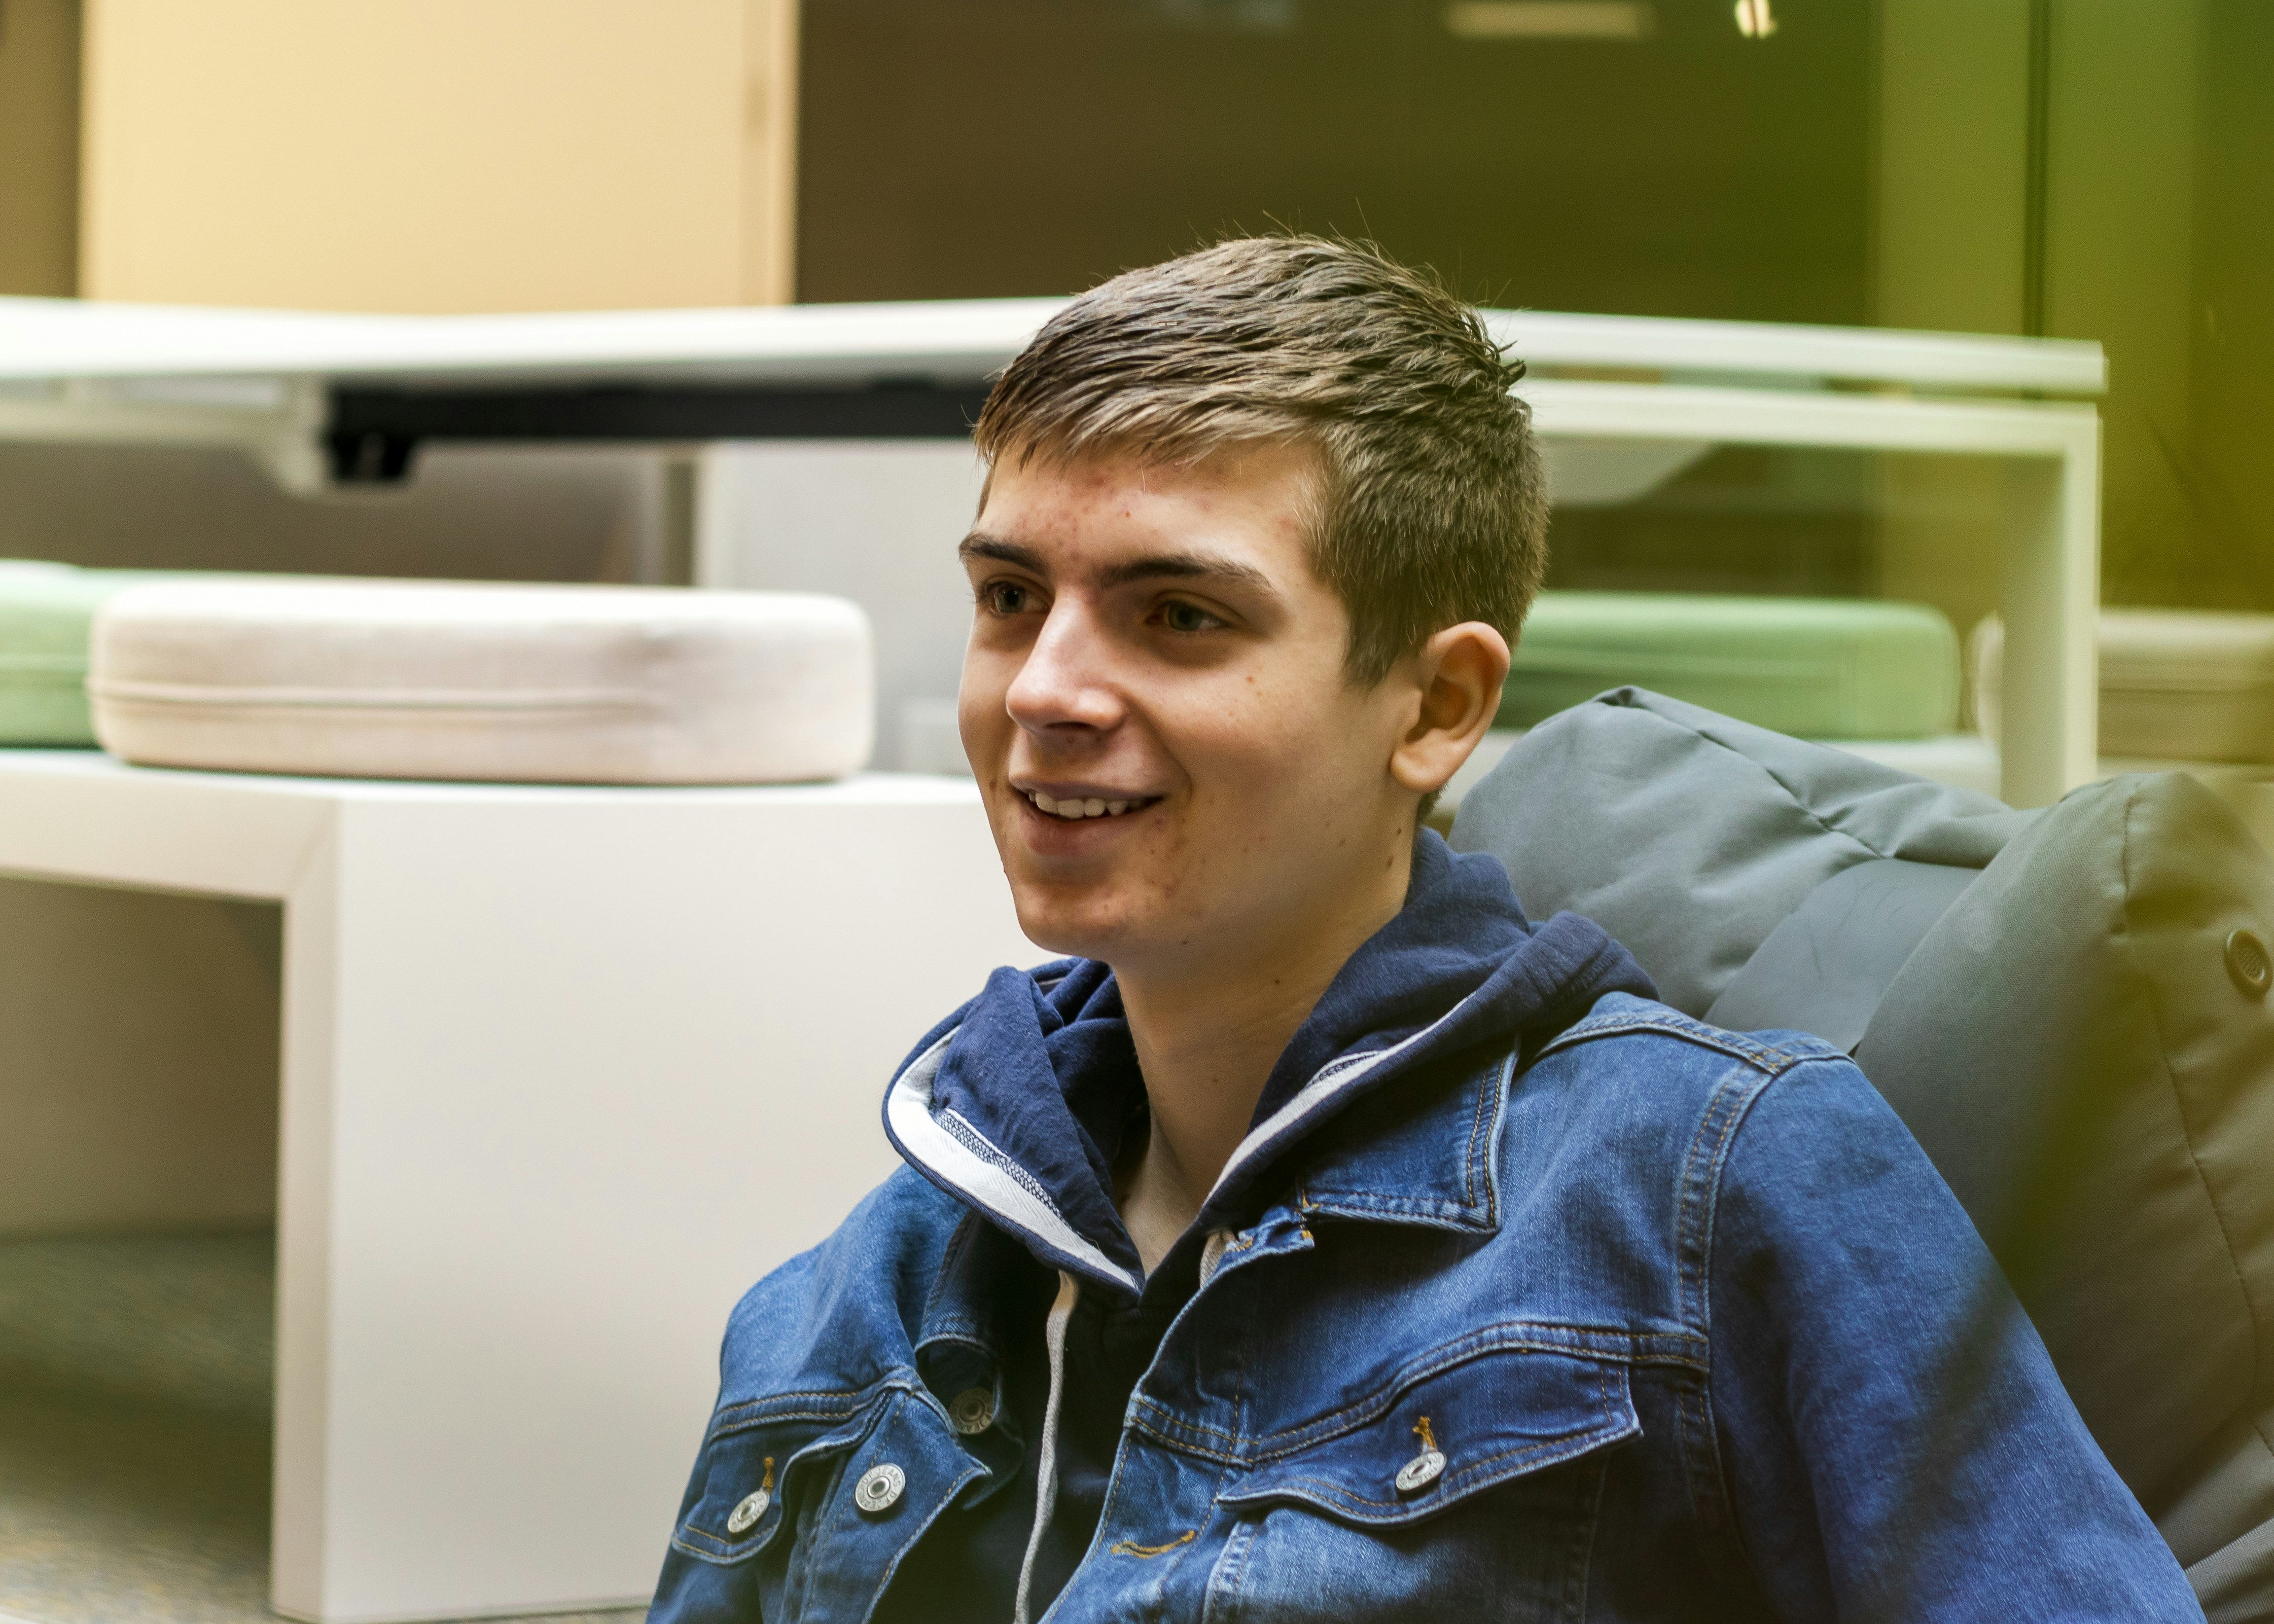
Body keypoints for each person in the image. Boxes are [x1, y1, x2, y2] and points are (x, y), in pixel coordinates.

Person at [649, 236, 2200, 1622]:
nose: (1045, 689)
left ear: (1437, 704)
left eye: (1177, 614)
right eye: (1009, 598)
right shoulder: (878, 1277)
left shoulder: (1717, 1189)